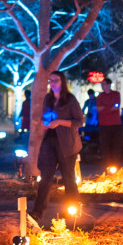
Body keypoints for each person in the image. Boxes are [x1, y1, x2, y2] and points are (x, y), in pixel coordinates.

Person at [30, 71, 83, 223]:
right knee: (46, 177)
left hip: (67, 143)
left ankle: (72, 211)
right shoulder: (48, 98)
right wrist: (44, 122)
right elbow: (45, 116)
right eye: (50, 80)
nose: (52, 83)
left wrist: (59, 121)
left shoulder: (70, 99)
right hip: (50, 141)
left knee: (68, 178)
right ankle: (38, 212)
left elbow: (79, 122)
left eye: (56, 80)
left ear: (62, 82)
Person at [97, 78, 123, 169]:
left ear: (108, 85)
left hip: (115, 124)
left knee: (116, 146)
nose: (102, 86)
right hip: (104, 125)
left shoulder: (116, 94)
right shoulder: (100, 96)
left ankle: (115, 165)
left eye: (103, 84)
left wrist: (104, 108)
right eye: (101, 84)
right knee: (105, 146)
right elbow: (99, 109)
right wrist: (110, 108)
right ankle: (108, 165)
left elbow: (116, 107)